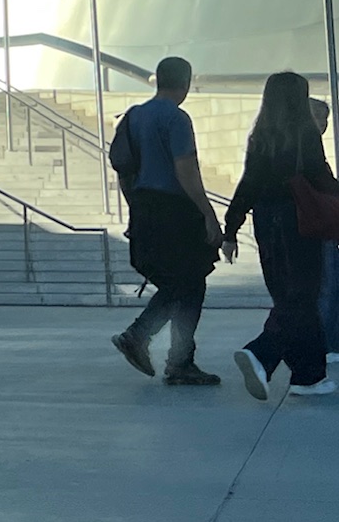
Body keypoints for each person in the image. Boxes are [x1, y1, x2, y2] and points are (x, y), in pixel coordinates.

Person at [109, 56, 224, 386]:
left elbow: (123, 167)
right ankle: (144, 337)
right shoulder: (176, 118)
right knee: (188, 282)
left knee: (184, 284)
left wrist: (136, 209)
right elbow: (185, 169)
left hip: (145, 206)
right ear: (185, 82)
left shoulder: (134, 117)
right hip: (175, 209)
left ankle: (180, 360)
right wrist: (207, 213)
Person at [224, 70, 339, 399]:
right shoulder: (304, 131)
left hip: (266, 221)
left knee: (291, 298)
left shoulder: (259, 135)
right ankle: (262, 353)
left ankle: (309, 376)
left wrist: (230, 229)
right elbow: (320, 177)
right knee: (302, 297)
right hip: (300, 220)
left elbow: (248, 183)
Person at [311, 99, 339, 366]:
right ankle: (329, 342)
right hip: (319, 227)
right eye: (319, 118)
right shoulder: (307, 150)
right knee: (328, 286)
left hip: (320, 224)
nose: (324, 124)